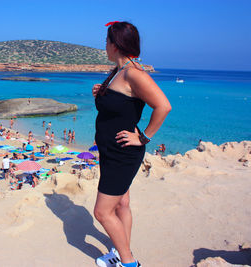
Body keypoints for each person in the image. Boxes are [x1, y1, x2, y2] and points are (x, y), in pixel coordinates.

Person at [92, 21, 171, 267]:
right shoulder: (119, 70)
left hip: (122, 153)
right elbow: (123, 103)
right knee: (122, 202)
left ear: (116, 45)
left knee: (102, 212)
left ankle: (128, 262)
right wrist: (102, 93)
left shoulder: (134, 73)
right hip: (111, 151)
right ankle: (120, 249)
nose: (104, 46)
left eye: (106, 41)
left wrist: (143, 136)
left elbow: (163, 106)